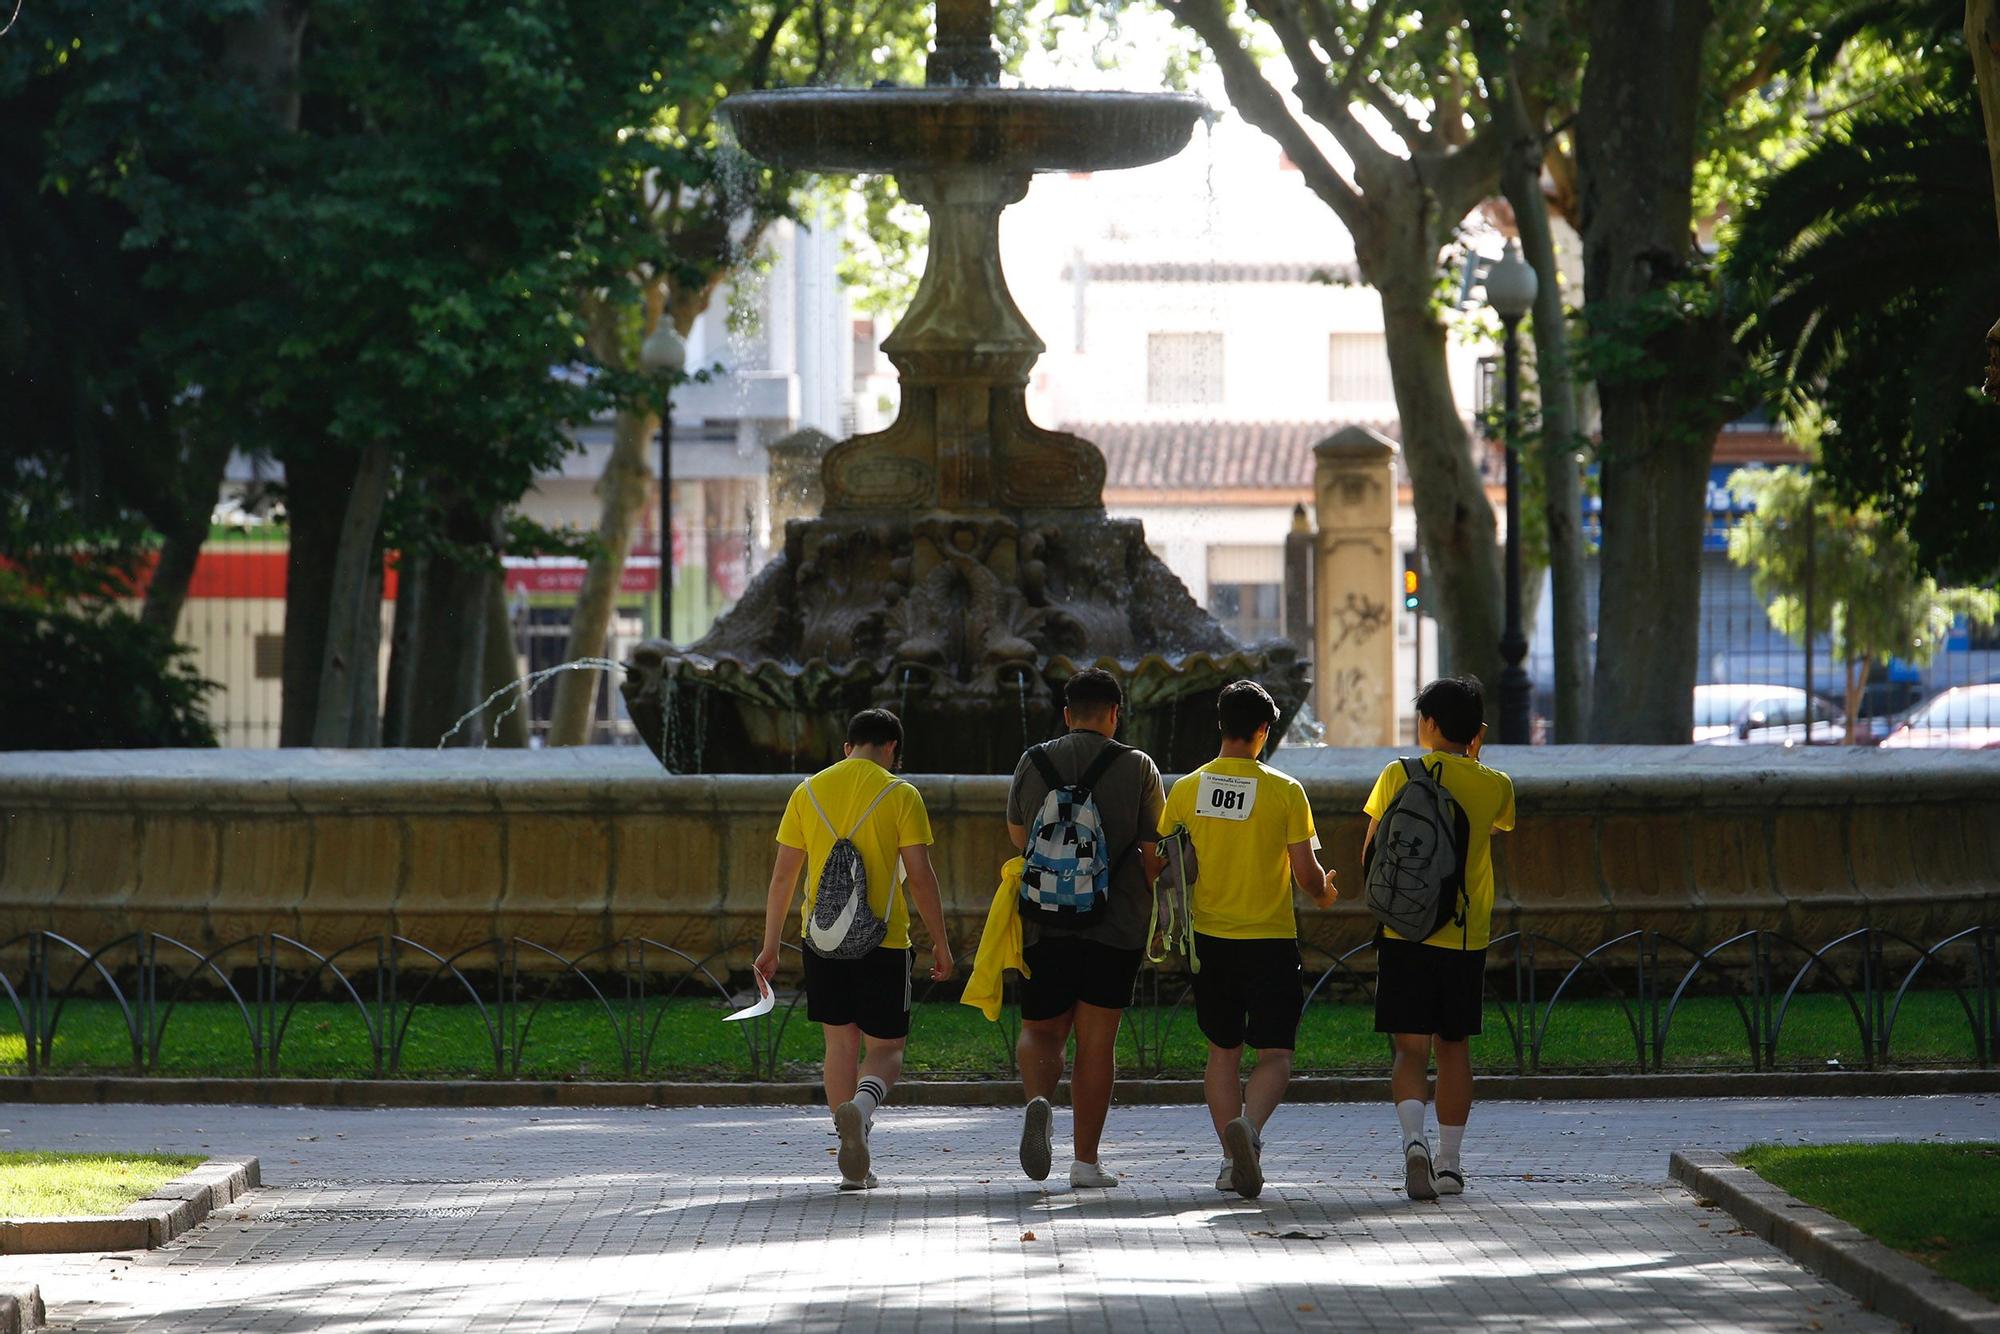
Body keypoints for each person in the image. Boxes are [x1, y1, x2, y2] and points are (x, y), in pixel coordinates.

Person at [755, 709, 954, 1191]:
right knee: (886, 1048)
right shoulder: (901, 794)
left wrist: (769, 947)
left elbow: (784, 877)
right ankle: (862, 1112)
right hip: (883, 941)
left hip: (820, 941)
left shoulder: (807, 792)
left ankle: (848, 1150)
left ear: (848, 747)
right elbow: (922, 878)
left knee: (839, 1044)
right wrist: (941, 944)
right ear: (892, 750)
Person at [1159, 680, 1336, 1199]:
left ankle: (1226, 1159)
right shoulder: (1285, 791)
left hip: (1210, 940)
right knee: (1275, 1055)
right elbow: (1307, 874)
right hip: (1270, 940)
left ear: (1221, 725)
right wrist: (1326, 893)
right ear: (1264, 731)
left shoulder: (1187, 789)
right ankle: (1250, 1134)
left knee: (1222, 1053)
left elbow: (1171, 868)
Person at [1006, 668, 1165, 1189]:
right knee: (1097, 1044)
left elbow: (1016, 836)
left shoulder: (1033, 760)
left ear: (1068, 713)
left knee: (1040, 1028)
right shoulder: (1137, 765)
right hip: (1114, 924)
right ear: (1115, 714)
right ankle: (1085, 1162)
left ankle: (1037, 1101)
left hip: (1043, 920)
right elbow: (1153, 852)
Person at [1363, 675, 1515, 1201]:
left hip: (1401, 931)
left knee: (1409, 1050)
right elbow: (1489, 829)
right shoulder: (1494, 784)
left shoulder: (1396, 775)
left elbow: (1371, 850)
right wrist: (1473, 758)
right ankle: (1449, 1165)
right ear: (1476, 730)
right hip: (1464, 936)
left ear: (1428, 724)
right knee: (1455, 1050)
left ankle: (1413, 1143)